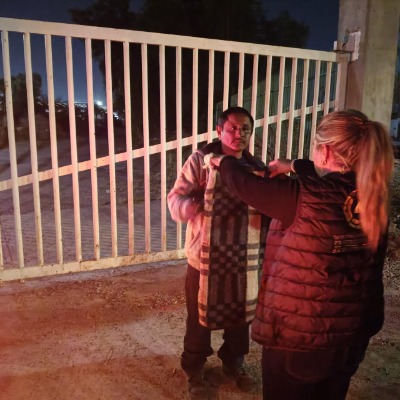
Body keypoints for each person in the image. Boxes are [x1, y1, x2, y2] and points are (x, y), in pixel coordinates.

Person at [205, 109, 394, 400]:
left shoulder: (301, 197)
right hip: (352, 332)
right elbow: (328, 186)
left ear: (326, 151)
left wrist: (224, 161)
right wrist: (293, 165)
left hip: (304, 337)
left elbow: (245, 184)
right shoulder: (372, 193)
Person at [168, 106, 267, 397]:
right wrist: (196, 205)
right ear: (219, 131)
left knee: (240, 315)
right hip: (204, 258)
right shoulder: (201, 162)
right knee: (199, 318)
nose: (239, 134)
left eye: (245, 129)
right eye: (233, 128)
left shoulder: (255, 167)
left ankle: (233, 364)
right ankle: (194, 369)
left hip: (243, 257)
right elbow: (175, 199)